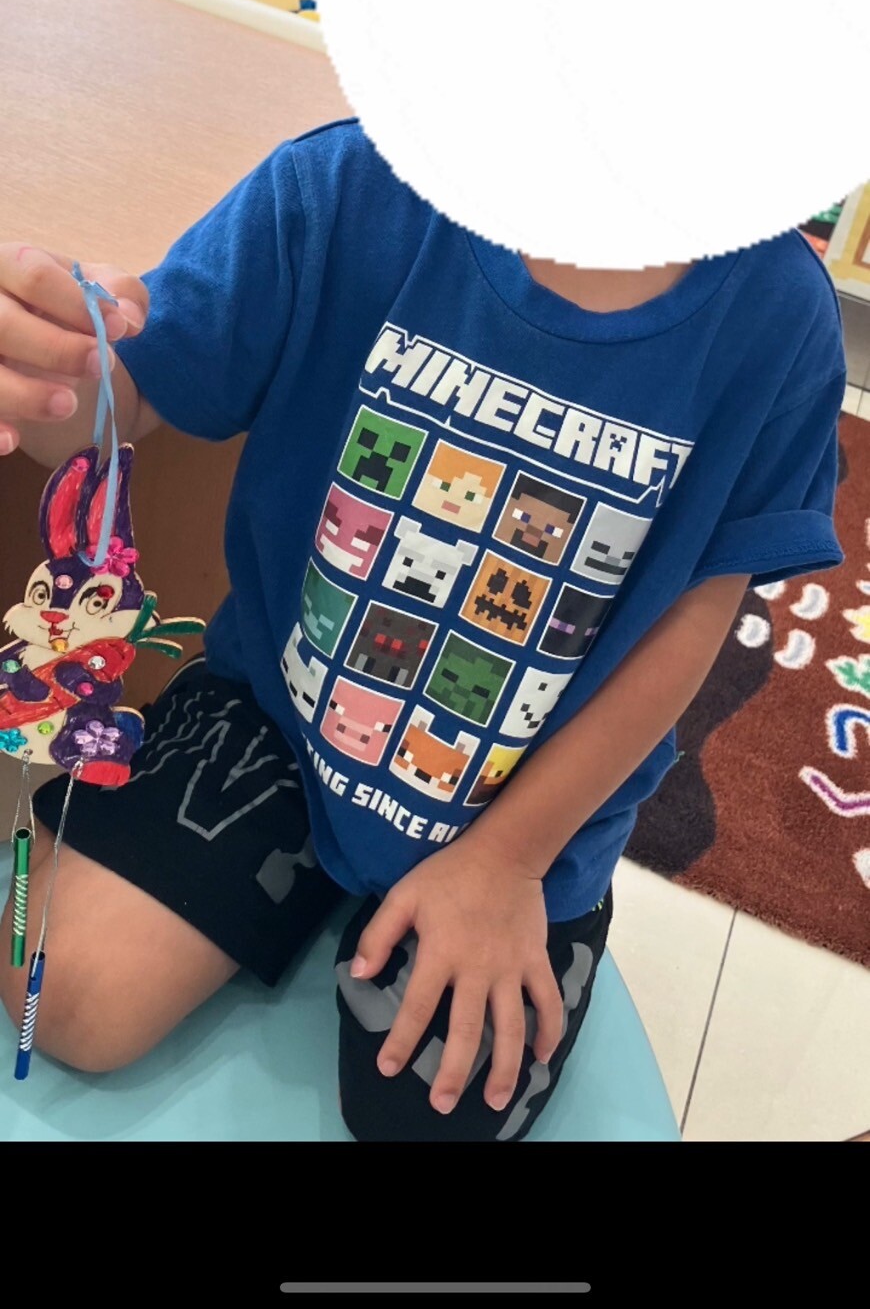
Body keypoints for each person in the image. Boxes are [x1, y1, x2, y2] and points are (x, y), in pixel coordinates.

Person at [0, 130, 845, 1141]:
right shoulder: (342, 186)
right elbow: (132, 394)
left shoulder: (779, 314)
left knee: (427, 1122)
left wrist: (512, 861)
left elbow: (694, 617)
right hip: (276, 720)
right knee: (74, 996)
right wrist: (53, 373)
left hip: (525, 812)